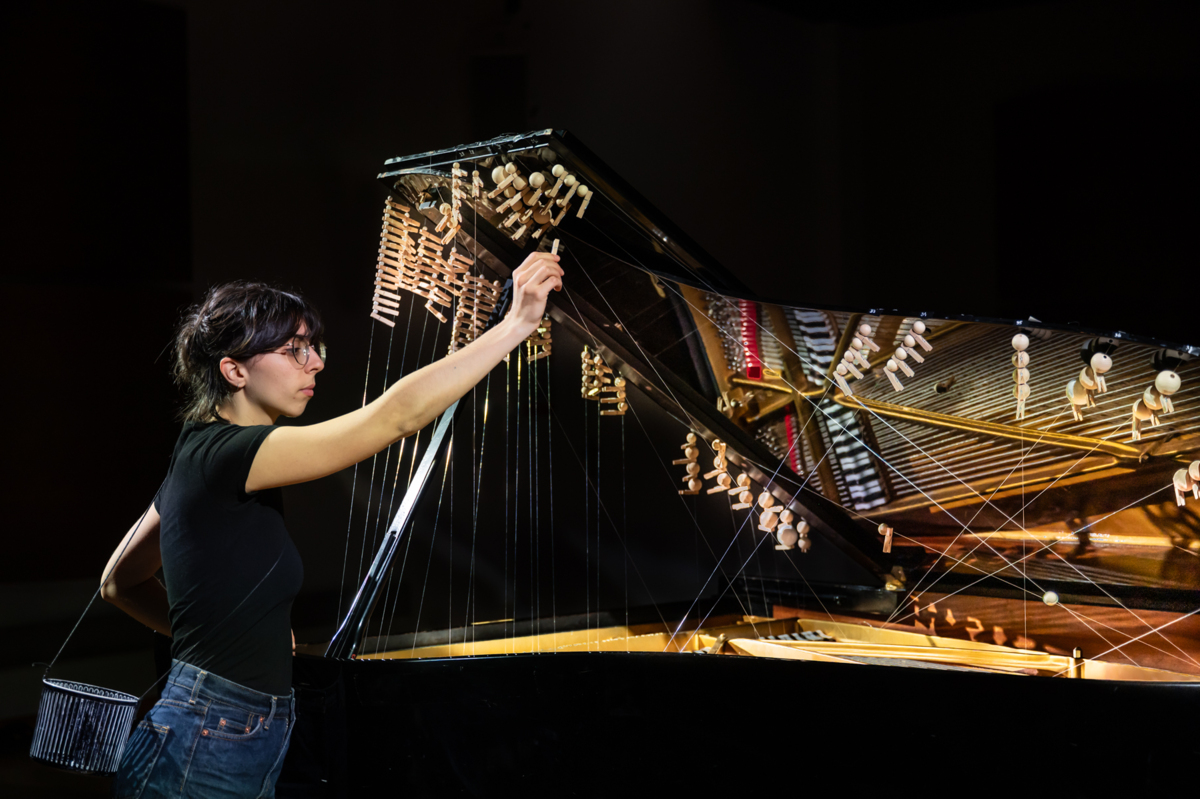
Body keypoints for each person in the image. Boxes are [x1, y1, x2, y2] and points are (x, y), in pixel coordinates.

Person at [101, 251, 564, 798]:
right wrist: (514, 326)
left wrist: (236, 642)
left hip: (216, 723)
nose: (315, 364)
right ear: (234, 370)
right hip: (208, 734)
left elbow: (118, 582)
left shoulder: (199, 452)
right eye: (294, 350)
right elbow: (395, 418)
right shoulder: (227, 455)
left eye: (313, 348)